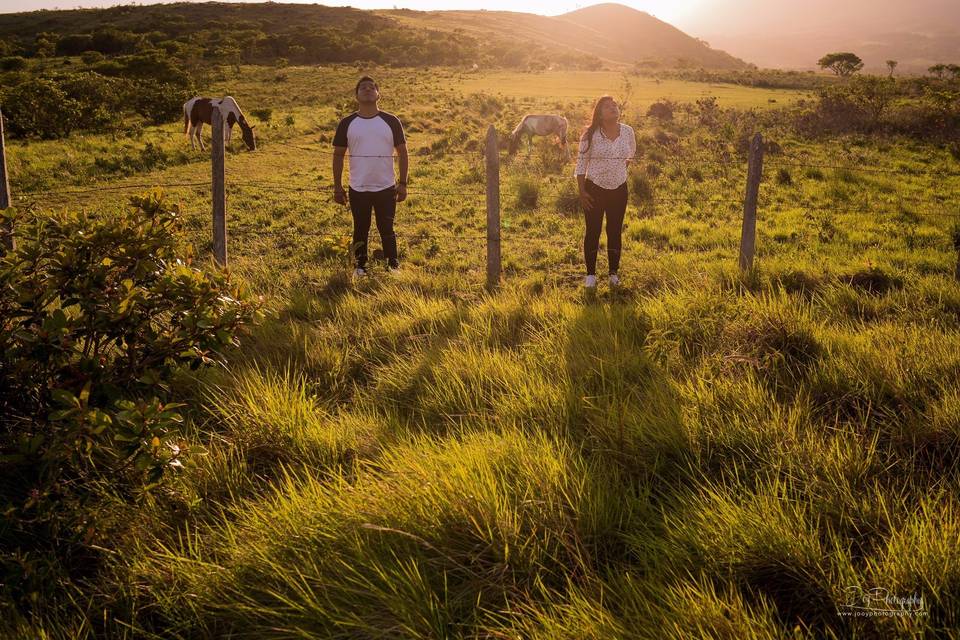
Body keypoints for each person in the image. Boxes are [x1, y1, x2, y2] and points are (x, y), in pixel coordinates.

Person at [333, 76, 408, 276]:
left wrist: (403, 183)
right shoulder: (347, 123)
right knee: (360, 229)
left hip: (386, 186)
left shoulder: (391, 121)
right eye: (362, 87)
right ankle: (360, 266)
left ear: (378, 94)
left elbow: (403, 152)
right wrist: (337, 187)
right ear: (356, 95)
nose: (367, 89)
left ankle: (393, 265)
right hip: (358, 187)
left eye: (371, 87)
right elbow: (338, 155)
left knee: (387, 228)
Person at [574, 95, 636, 289]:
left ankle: (613, 274)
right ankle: (591, 275)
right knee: (593, 231)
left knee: (615, 230)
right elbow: (581, 165)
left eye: (614, 105)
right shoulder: (590, 135)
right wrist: (582, 192)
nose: (613, 108)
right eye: (607, 107)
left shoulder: (627, 131)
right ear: (599, 114)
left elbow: (631, 153)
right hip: (595, 189)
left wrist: (618, 170)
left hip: (619, 189)